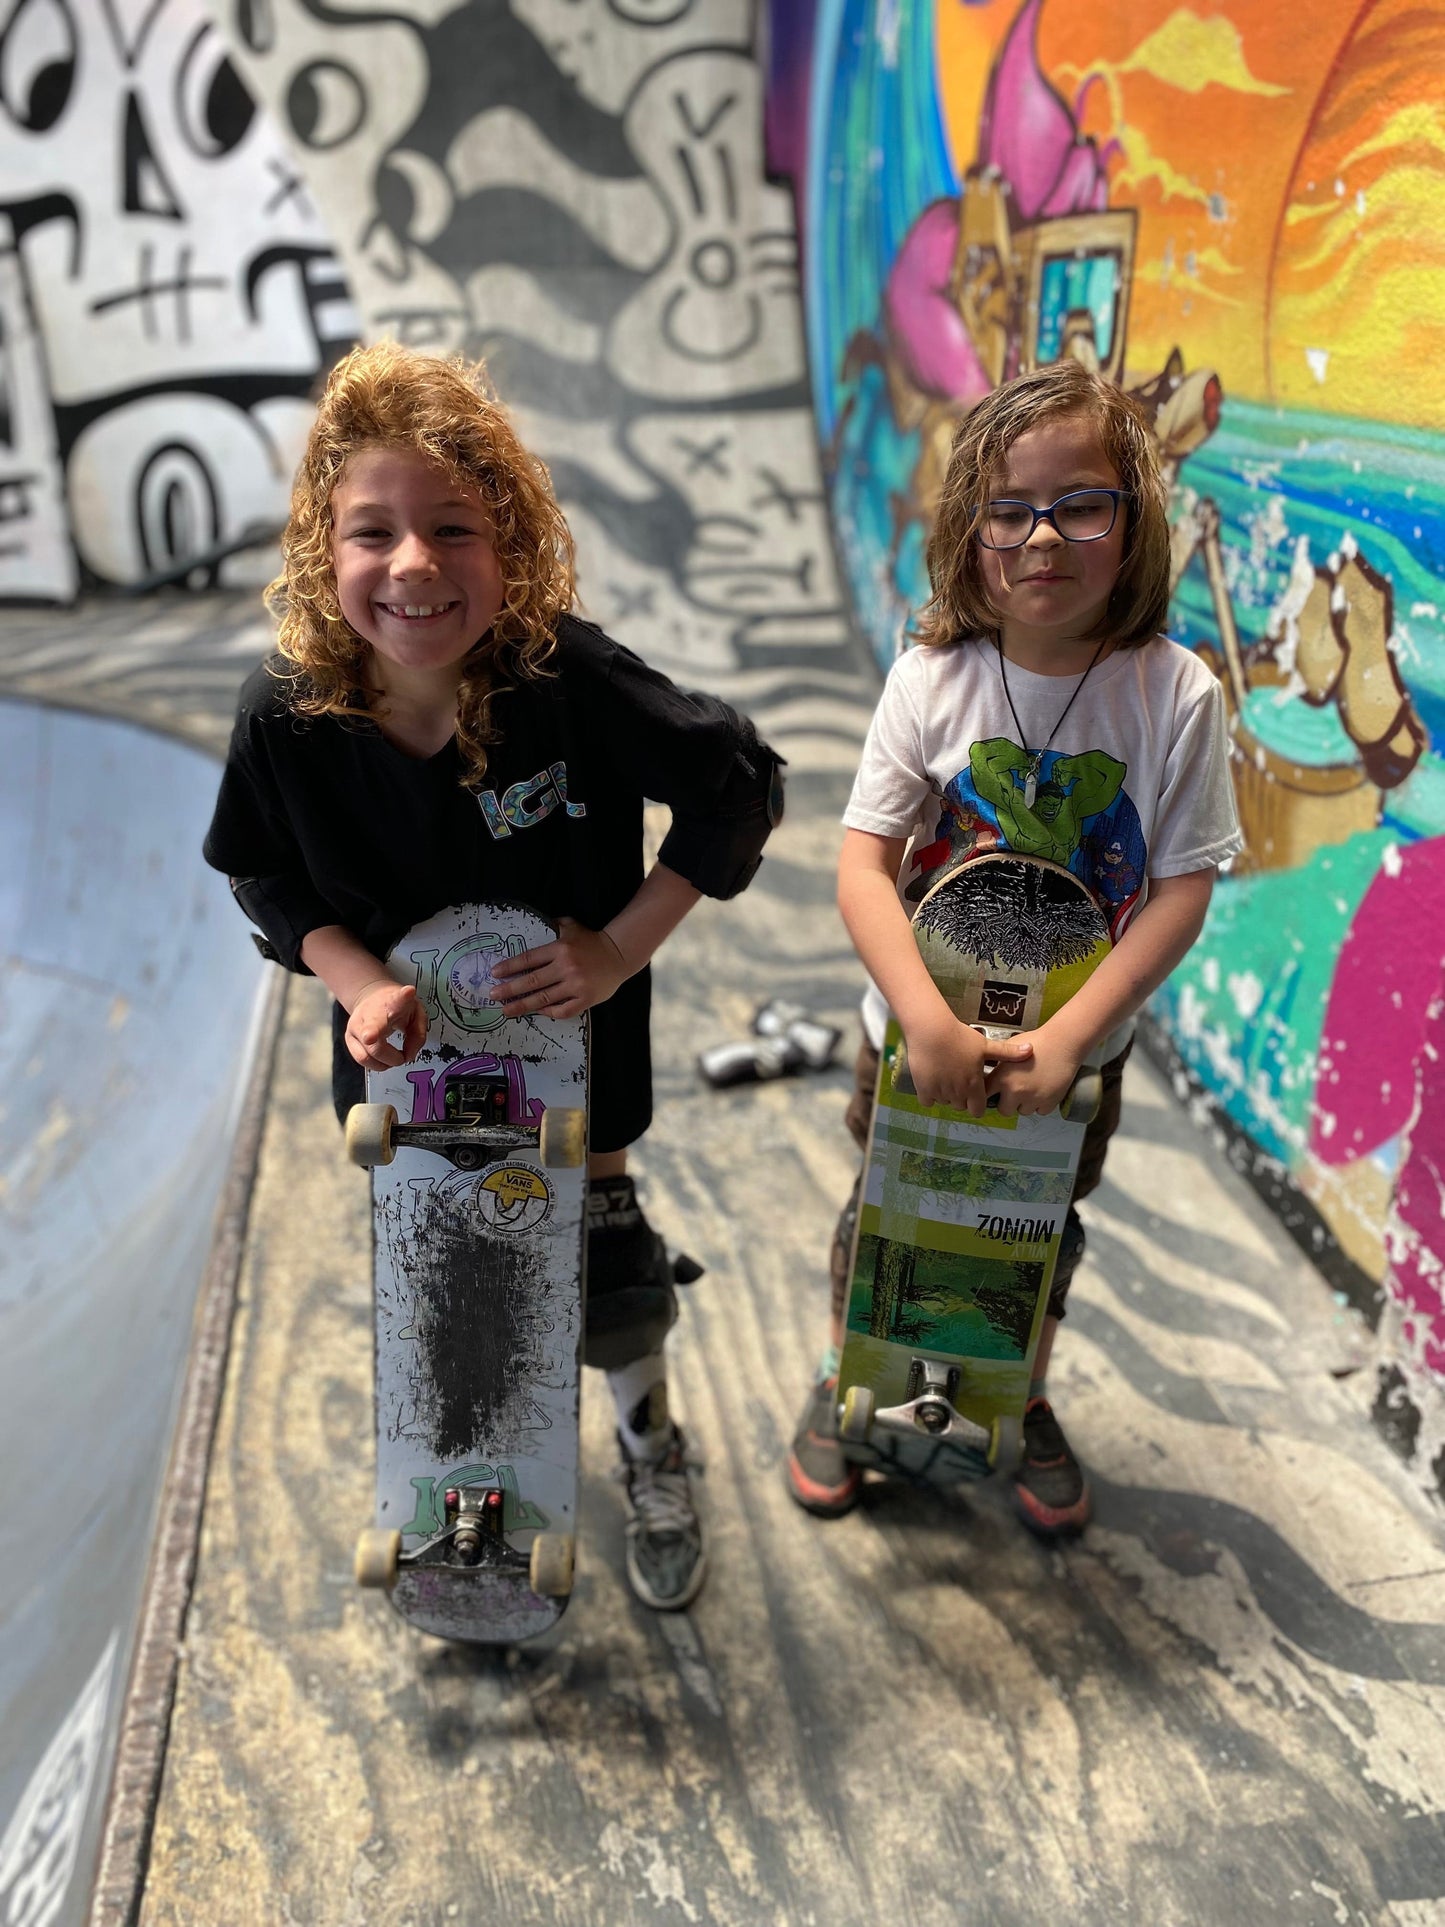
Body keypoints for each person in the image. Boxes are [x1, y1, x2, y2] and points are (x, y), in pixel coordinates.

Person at [203, 340, 783, 1612]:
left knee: (603, 1262)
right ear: (321, 548)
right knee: (452, 1287)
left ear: (509, 541)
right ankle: (465, 1489)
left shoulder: (565, 680)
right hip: (407, 1078)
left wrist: (619, 945)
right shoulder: (285, 715)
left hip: (571, 1043)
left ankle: (649, 1445)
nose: (412, 565)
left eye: (451, 528)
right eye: (373, 532)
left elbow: (736, 784)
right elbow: (261, 876)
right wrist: (355, 979)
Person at [787, 359, 1242, 1533]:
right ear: (968, 528)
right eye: (1007, 509)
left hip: (1070, 1055)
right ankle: (853, 1385)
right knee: (888, 1213)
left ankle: (1013, 1392)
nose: (1042, 536)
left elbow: (1181, 888)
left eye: (1078, 502)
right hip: (912, 1040)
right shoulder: (929, 678)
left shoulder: (1172, 694)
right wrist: (927, 1024)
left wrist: (1070, 1039)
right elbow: (860, 868)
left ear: (1129, 518)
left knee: (1034, 1229)